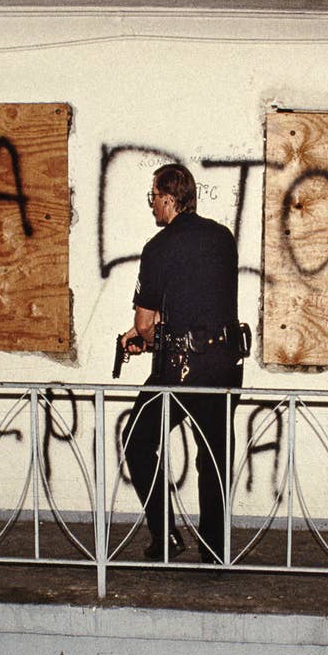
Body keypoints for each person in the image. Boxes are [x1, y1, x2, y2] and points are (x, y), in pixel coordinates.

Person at [118, 163, 247, 563]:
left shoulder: (159, 247)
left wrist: (146, 339)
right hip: (226, 362)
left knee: (138, 442)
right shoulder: (223, 238)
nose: (152, 205)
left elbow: (145, 322)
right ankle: (215, 549)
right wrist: (151, 335)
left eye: (153, 197)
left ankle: (165, 537)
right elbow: (200, 301)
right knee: (214, 455)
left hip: (181, 368)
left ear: (169, 199)